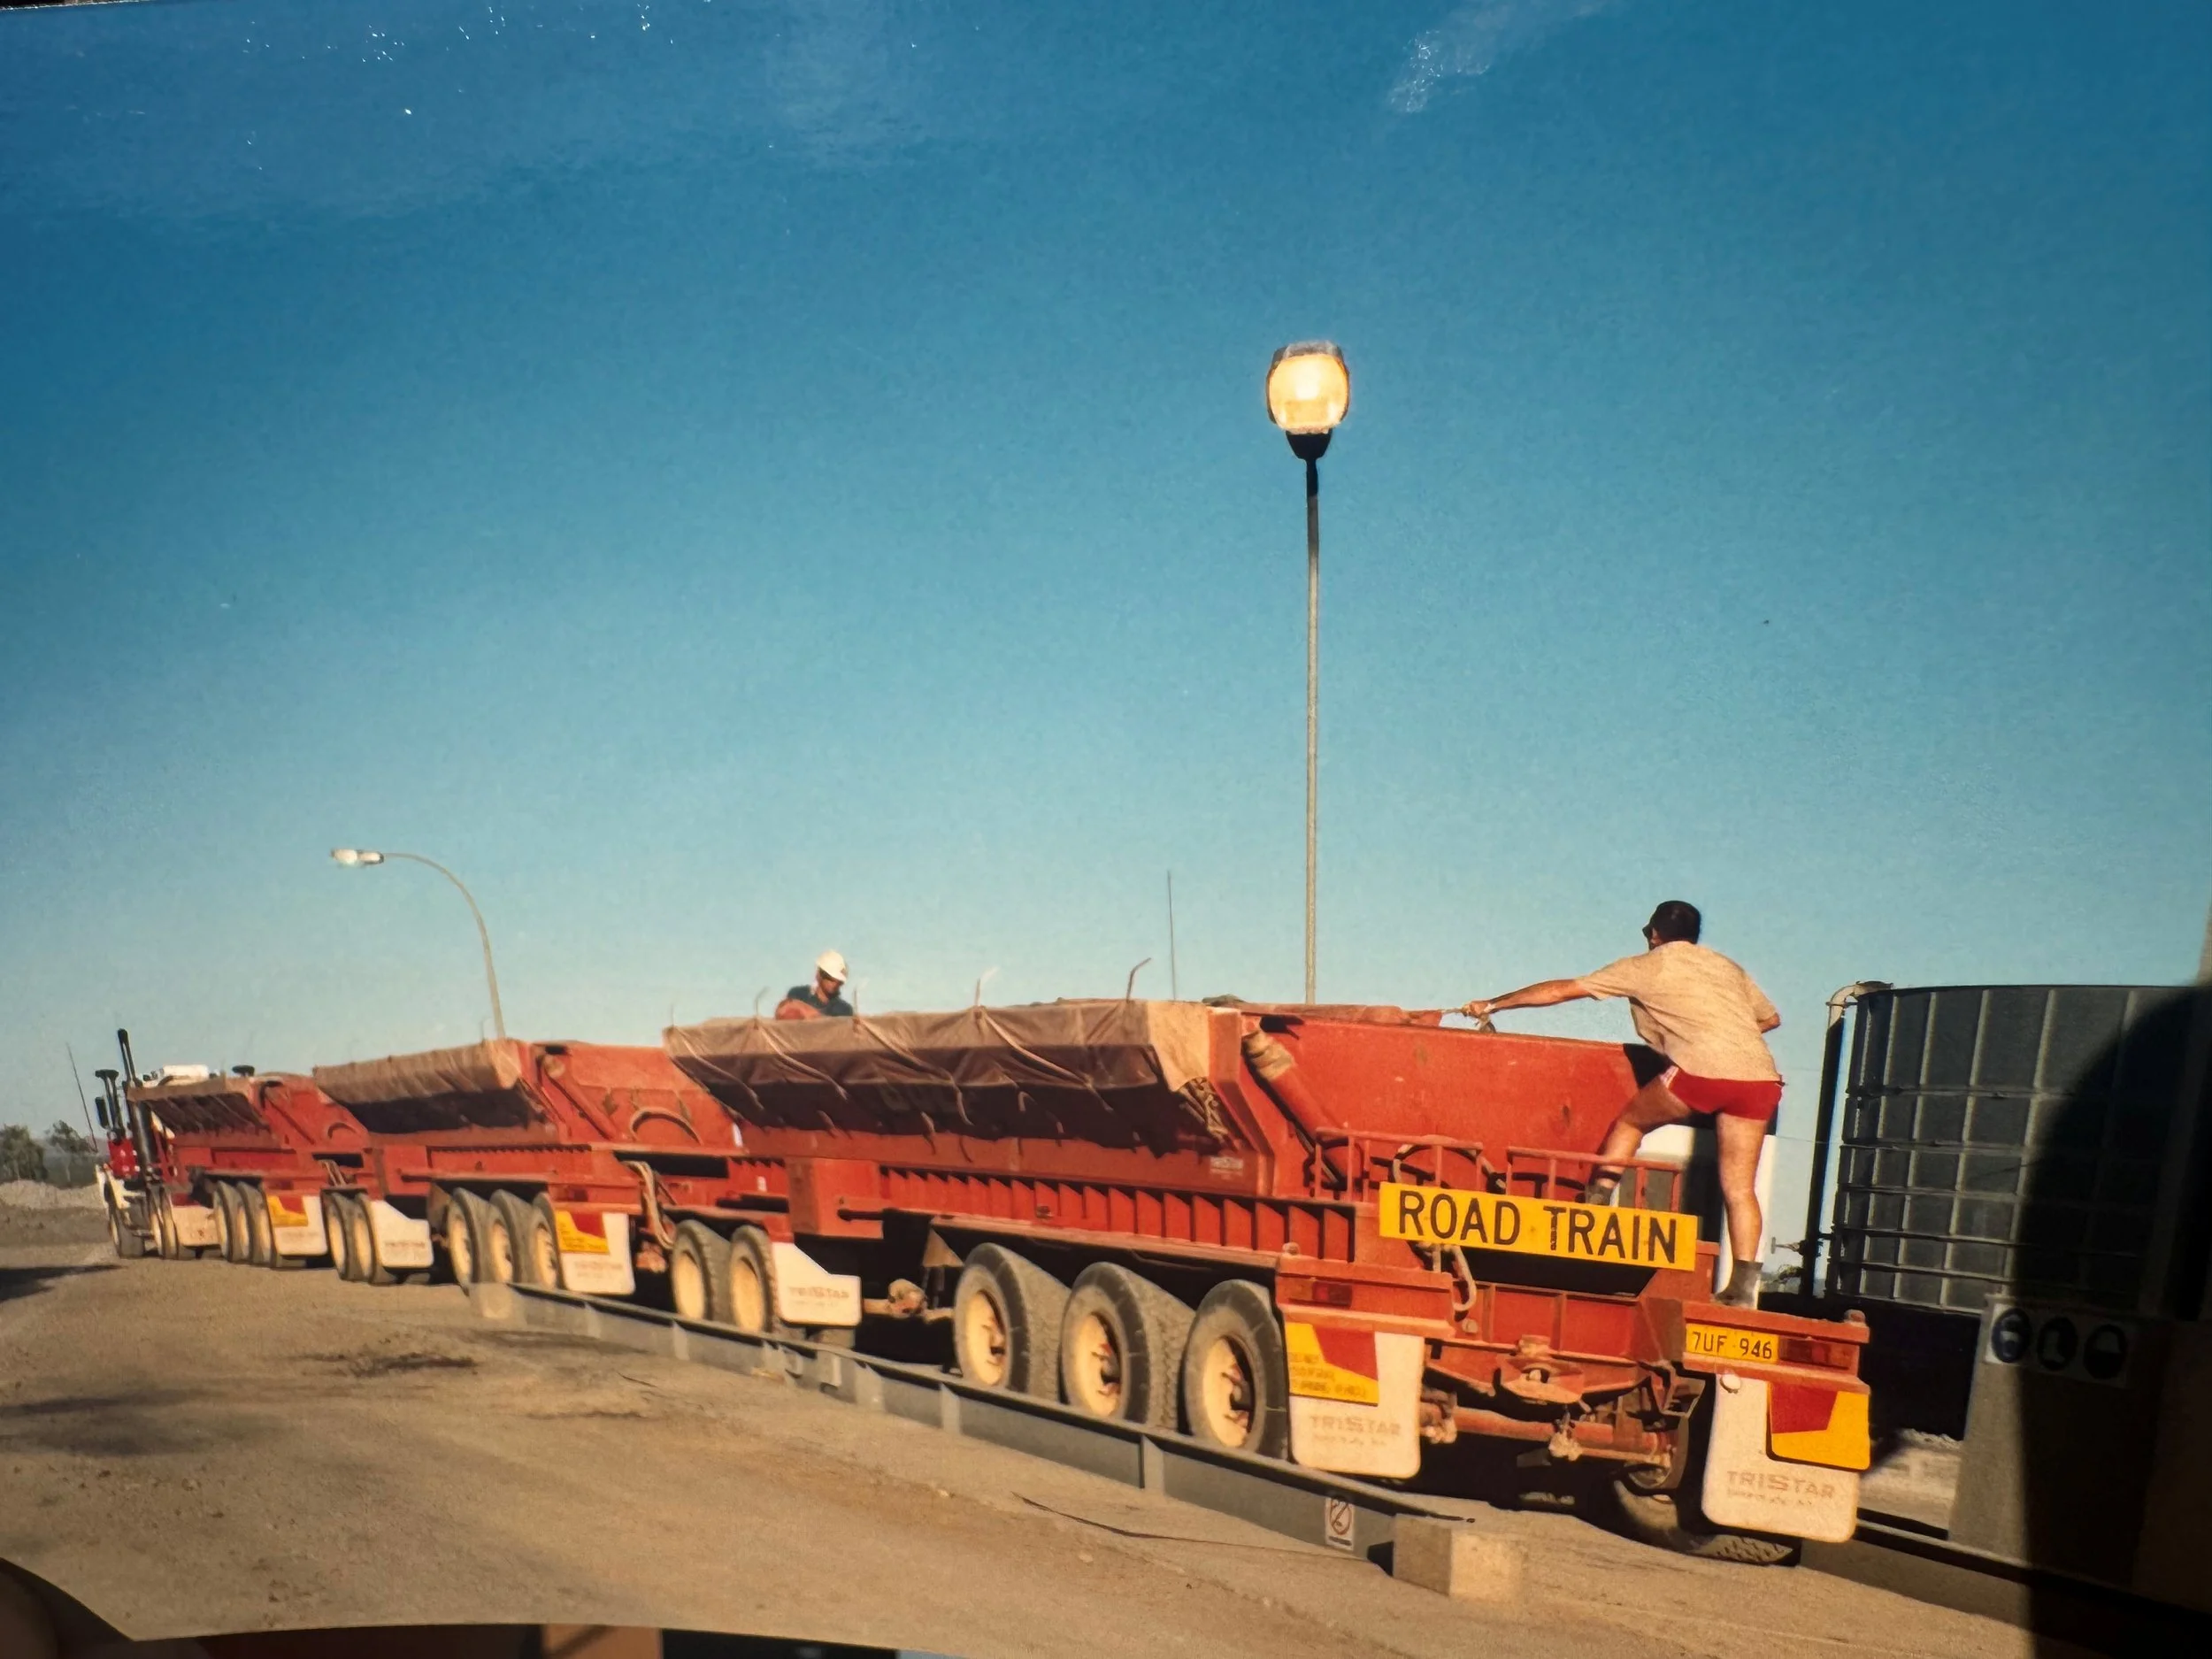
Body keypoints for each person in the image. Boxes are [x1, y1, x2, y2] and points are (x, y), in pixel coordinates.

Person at [1460, 901, 1781, 1308]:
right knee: (1739, 1187)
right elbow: (1770, 1019)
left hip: (1701, 1073)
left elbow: (1562, 990)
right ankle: (1741, 1289)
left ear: (1653, 935)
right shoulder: (1725, 967)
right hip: (1760, 1080)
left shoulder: (1647, 966)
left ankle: (1593, 1209)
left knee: (1631, 1124)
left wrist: (1492, 1004)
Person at [775, 950, 854, 1020]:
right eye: (830, 978)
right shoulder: (798, 994)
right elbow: (783, 1013)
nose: (835, 983)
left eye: (839, 981)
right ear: (819, 975)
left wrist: (806, 1012)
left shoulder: (844, 1010)